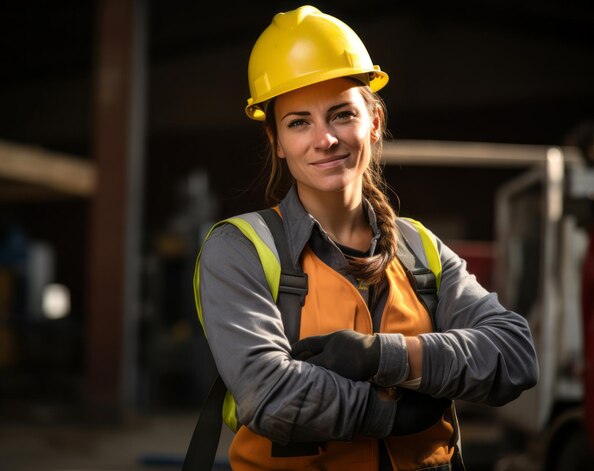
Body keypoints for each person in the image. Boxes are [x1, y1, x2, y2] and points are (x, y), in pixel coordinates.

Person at [194, 5, 538, 470]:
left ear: (373, 123)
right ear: (276, 140)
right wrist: (393, 411)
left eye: (341, 115)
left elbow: (515, 353)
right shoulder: (240, 250)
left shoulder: (419, 249)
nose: (325, 139)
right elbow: (269, 393)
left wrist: (386, 355)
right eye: (299, 122)